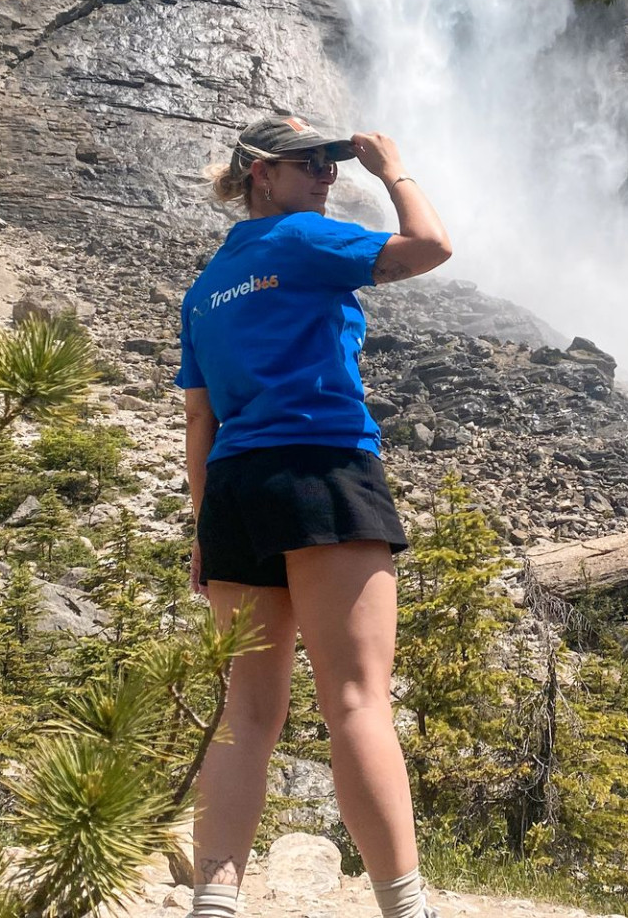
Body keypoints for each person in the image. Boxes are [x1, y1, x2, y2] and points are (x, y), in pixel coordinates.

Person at [176, 114, 453, 918]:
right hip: (322, 468)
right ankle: (406, 909)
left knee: (246, 712)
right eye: (311, 163)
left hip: (235, 492)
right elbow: (430, 247)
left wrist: (203, 529)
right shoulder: (301, 239)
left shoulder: (206, 287)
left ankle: (214, 902)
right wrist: (390, 168)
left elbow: (200, 418)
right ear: (261, 174)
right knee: (357, 700)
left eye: (333, 164)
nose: (328, 176)